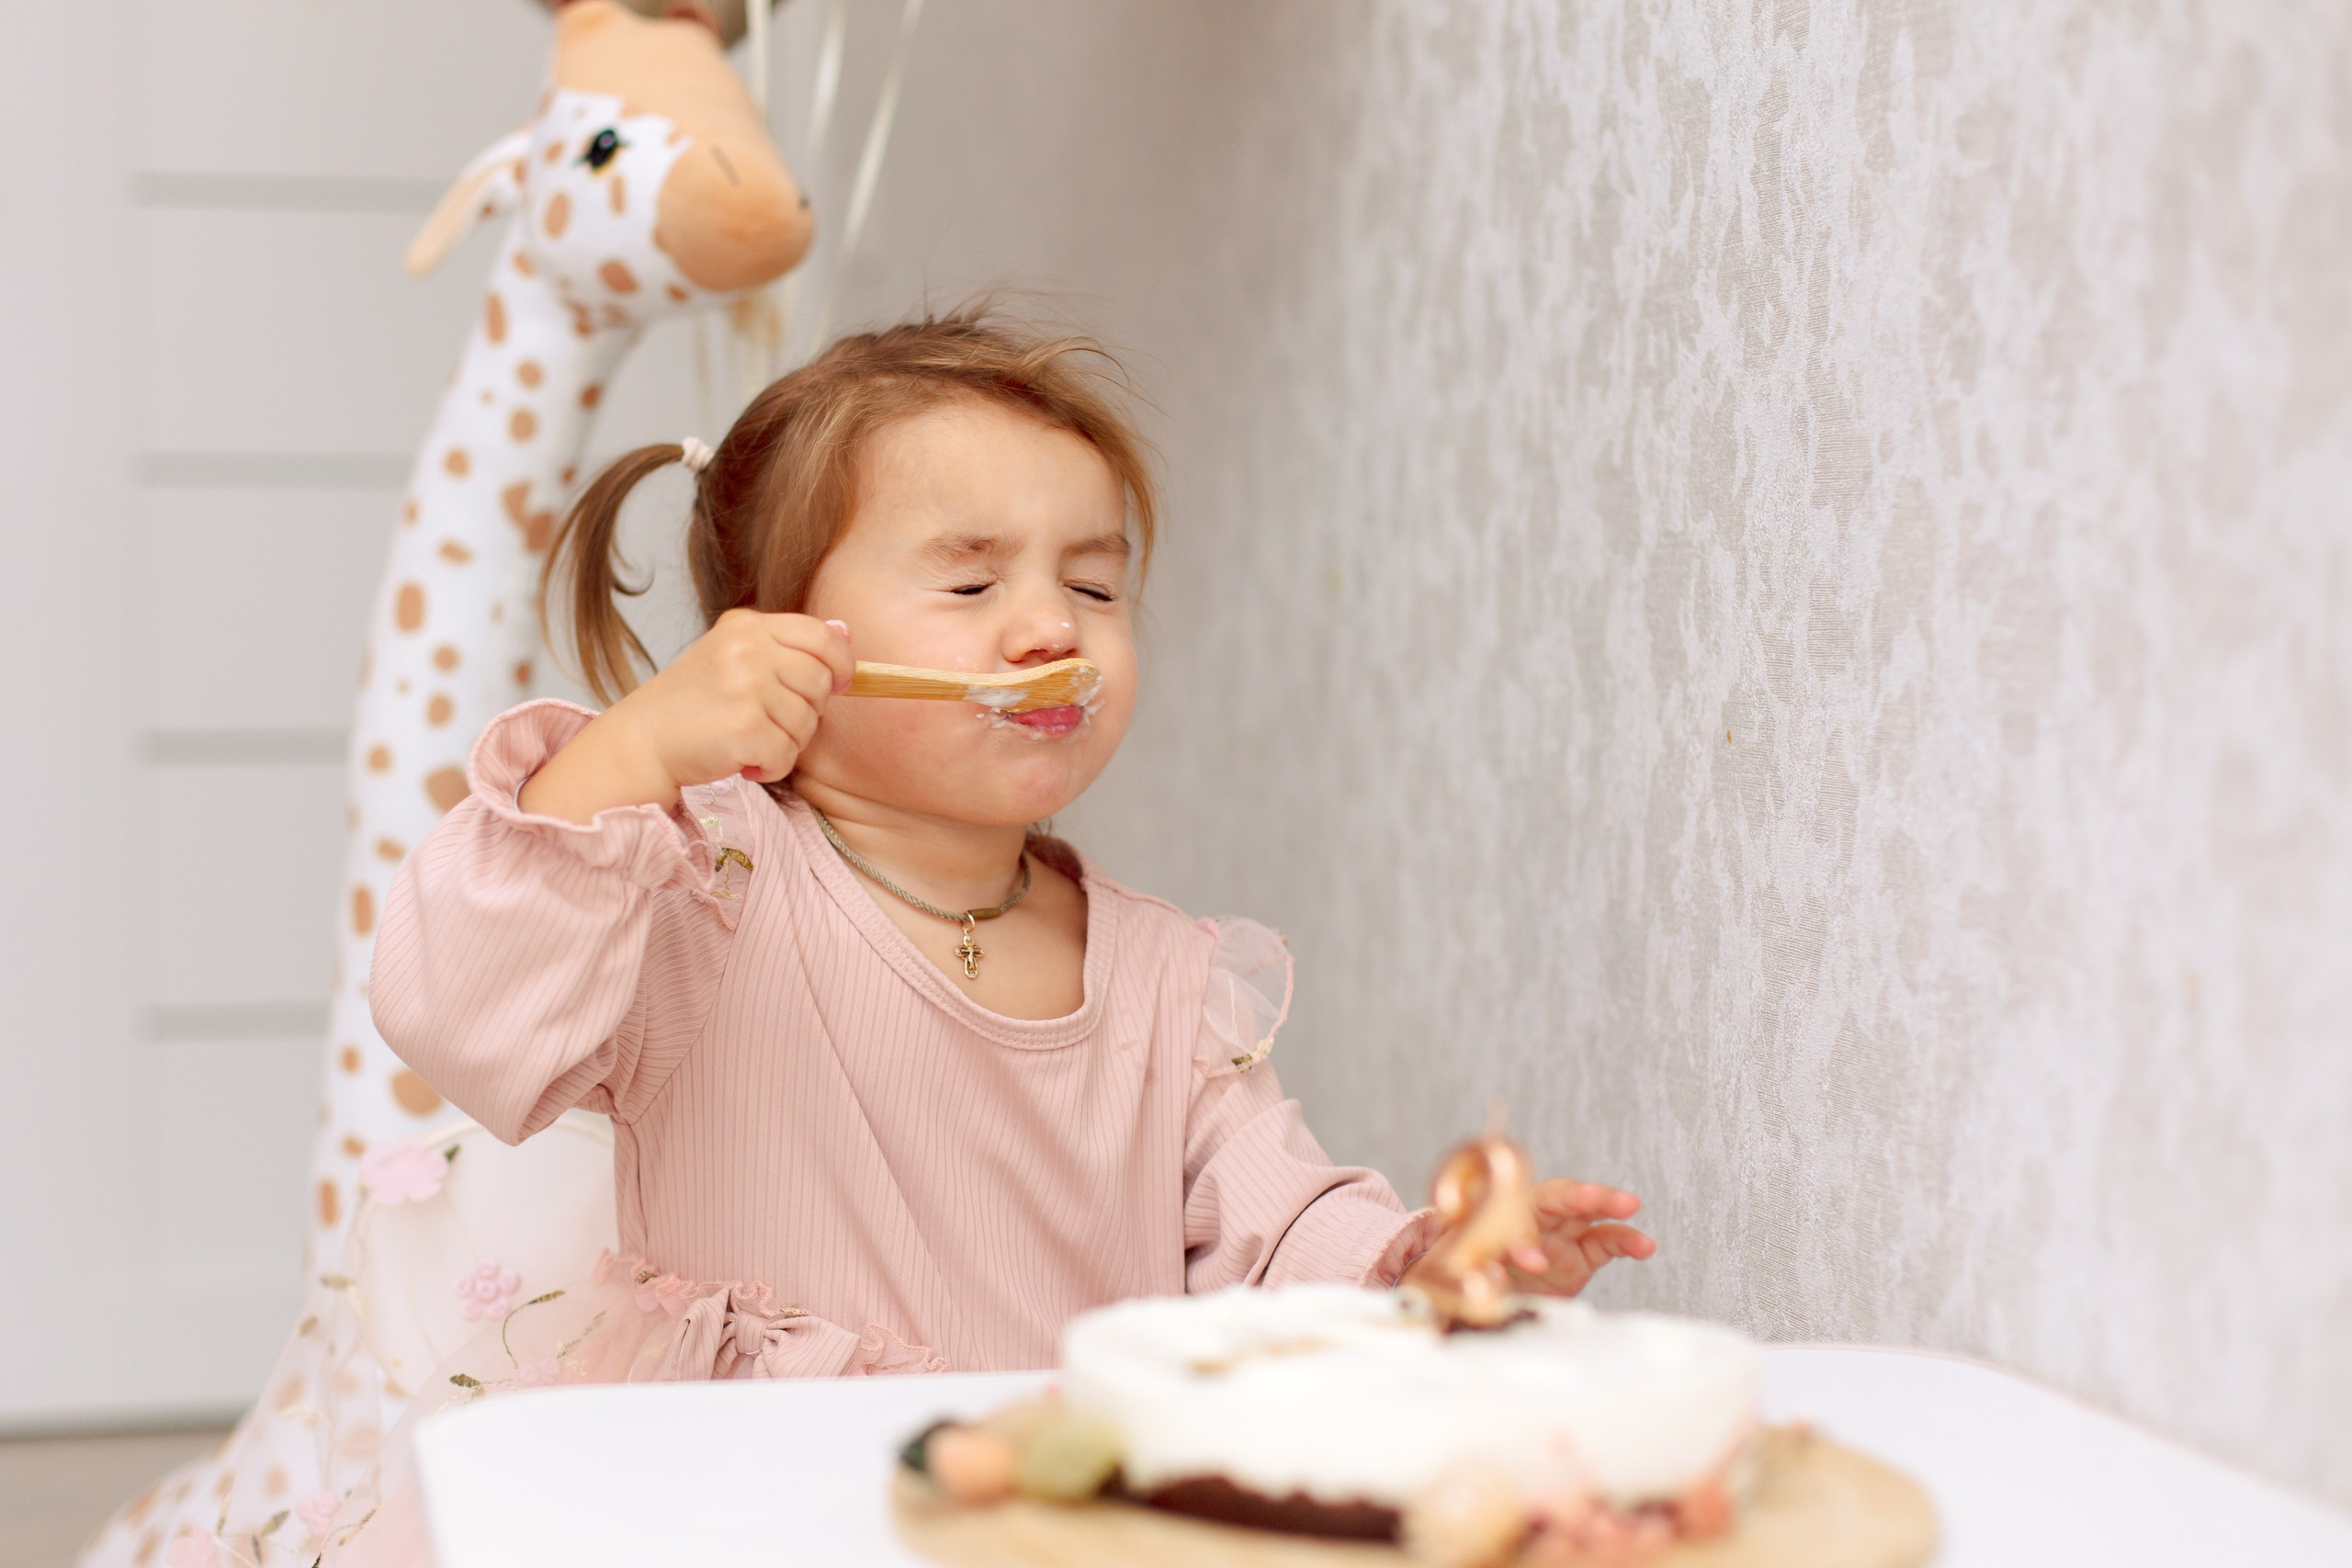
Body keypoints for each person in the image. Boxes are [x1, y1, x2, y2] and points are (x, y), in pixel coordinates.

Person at [332, 307, 1654, 1561]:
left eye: (1093, 585)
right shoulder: (698, 886)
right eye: (971, 583)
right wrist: (631, 752)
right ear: (782, 640)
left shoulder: (1163, 976)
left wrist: (1440, 1270)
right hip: (758, 1511)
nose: (1047, 630)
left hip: (1051, 1521)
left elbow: (1269, 1238)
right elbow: (459, 1007)